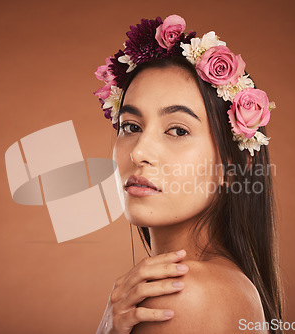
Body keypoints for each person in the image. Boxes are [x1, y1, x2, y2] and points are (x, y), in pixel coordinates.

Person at [94, 15, 282, 334]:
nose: (139, 152)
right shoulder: (226, 282)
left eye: (178, 131)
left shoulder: (181, 294)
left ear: (235, 168)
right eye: (131, 126)